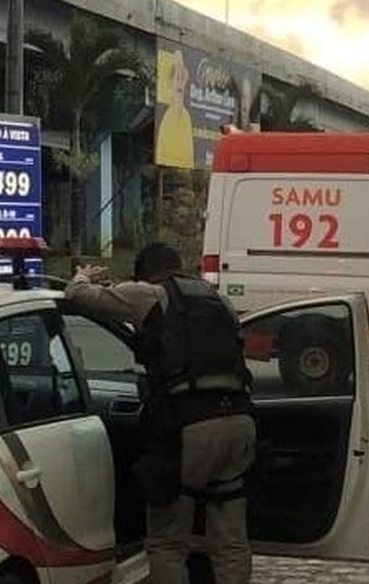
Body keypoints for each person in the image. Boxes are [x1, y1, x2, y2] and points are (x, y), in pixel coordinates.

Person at [65, 243, 256, 584]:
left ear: (144, 274)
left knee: (168, 541)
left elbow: (77, 295)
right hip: (240, 421)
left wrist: (84, 275)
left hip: (189, 427)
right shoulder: (220, 301)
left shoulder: (150, 294)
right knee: (230, 542)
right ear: (179, 265)